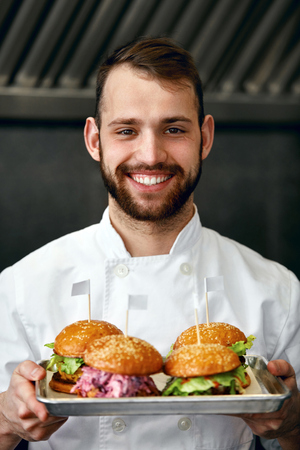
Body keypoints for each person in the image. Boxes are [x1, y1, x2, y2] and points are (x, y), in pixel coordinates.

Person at [0, 37, 299, 450]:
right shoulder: (20, 286)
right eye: (126, 130)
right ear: (94, 140)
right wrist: (7, 419)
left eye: (174, 129)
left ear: (205, 137)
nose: (151, 154)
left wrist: (291, 424)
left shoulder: (277, 291)